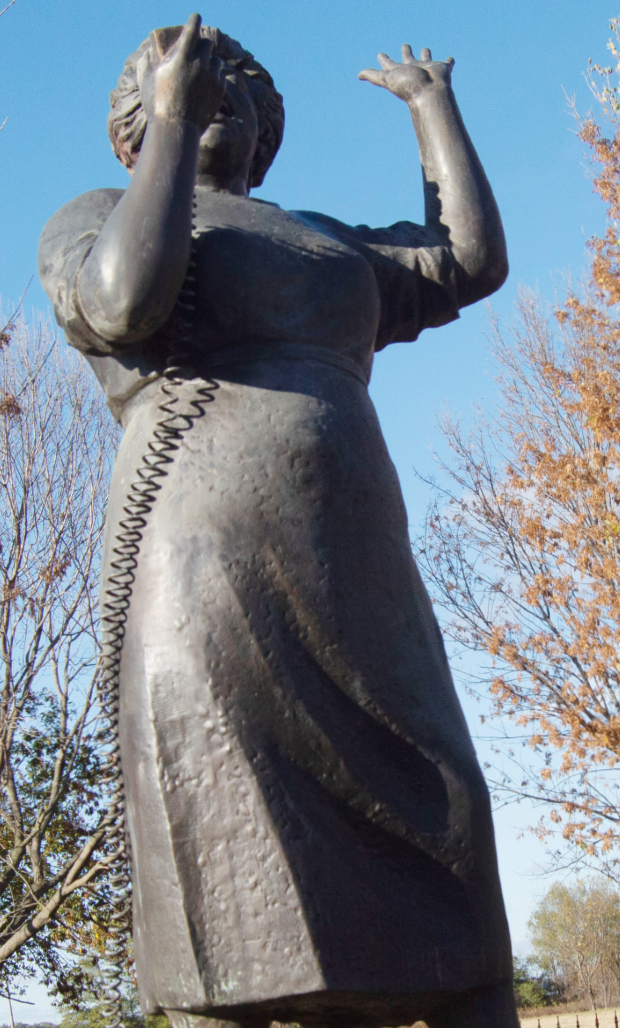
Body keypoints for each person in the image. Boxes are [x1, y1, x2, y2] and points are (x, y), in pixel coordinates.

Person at [39, 15, 516, 1028]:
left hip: (361, 574)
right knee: (228, 870)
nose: (217, 91)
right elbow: (121, 304)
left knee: (450, 844)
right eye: (189, 81)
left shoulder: (322, 238)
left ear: (268, 122)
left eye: (237, 83)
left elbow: (466, 262)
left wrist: (432, 108)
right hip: (208, 565)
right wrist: (172, 131)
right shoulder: (97, 214)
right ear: (138, 114)